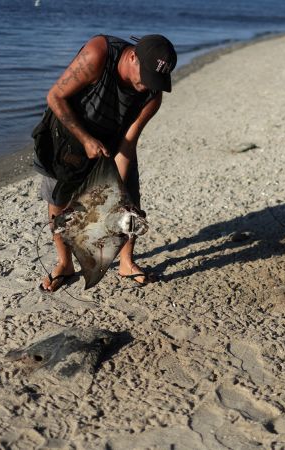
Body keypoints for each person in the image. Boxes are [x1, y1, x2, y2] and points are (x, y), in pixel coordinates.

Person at [31, 34, 177, 292]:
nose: (146, 86)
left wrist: (119, 197)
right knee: (59, 200)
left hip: (113, 142)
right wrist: (85, 139)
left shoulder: (152, 94)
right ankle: (65, 264)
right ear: (132, 57)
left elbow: (127, 145)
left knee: (129, 202)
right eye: (144, 77)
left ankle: (126, 263)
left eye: (154, 81)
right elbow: (55, 97)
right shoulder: (99, 54)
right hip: (67, 132)